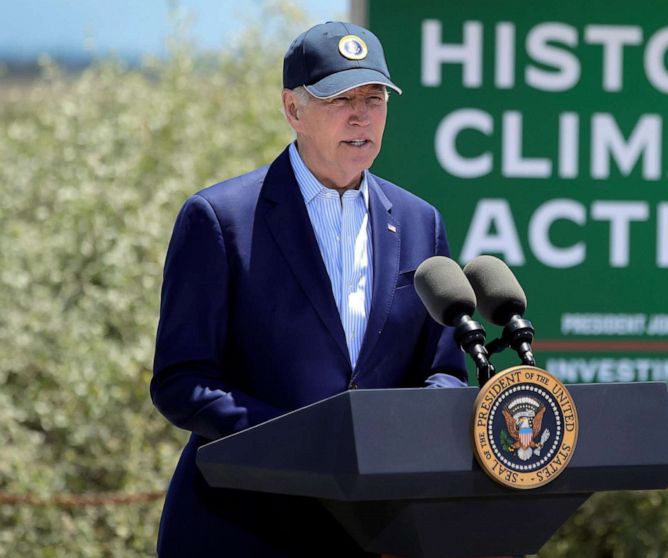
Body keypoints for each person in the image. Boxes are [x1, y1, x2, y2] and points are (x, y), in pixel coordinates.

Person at [150, 21, 467, 557]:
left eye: (374, 98)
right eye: (339, 98)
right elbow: (182, 381)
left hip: (373, 532)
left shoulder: (420, 222)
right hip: (241, 526)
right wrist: (303, 441)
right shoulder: (220, 219)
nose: (361, 115)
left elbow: (443, 370)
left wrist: (409, 430)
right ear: (292, 109)